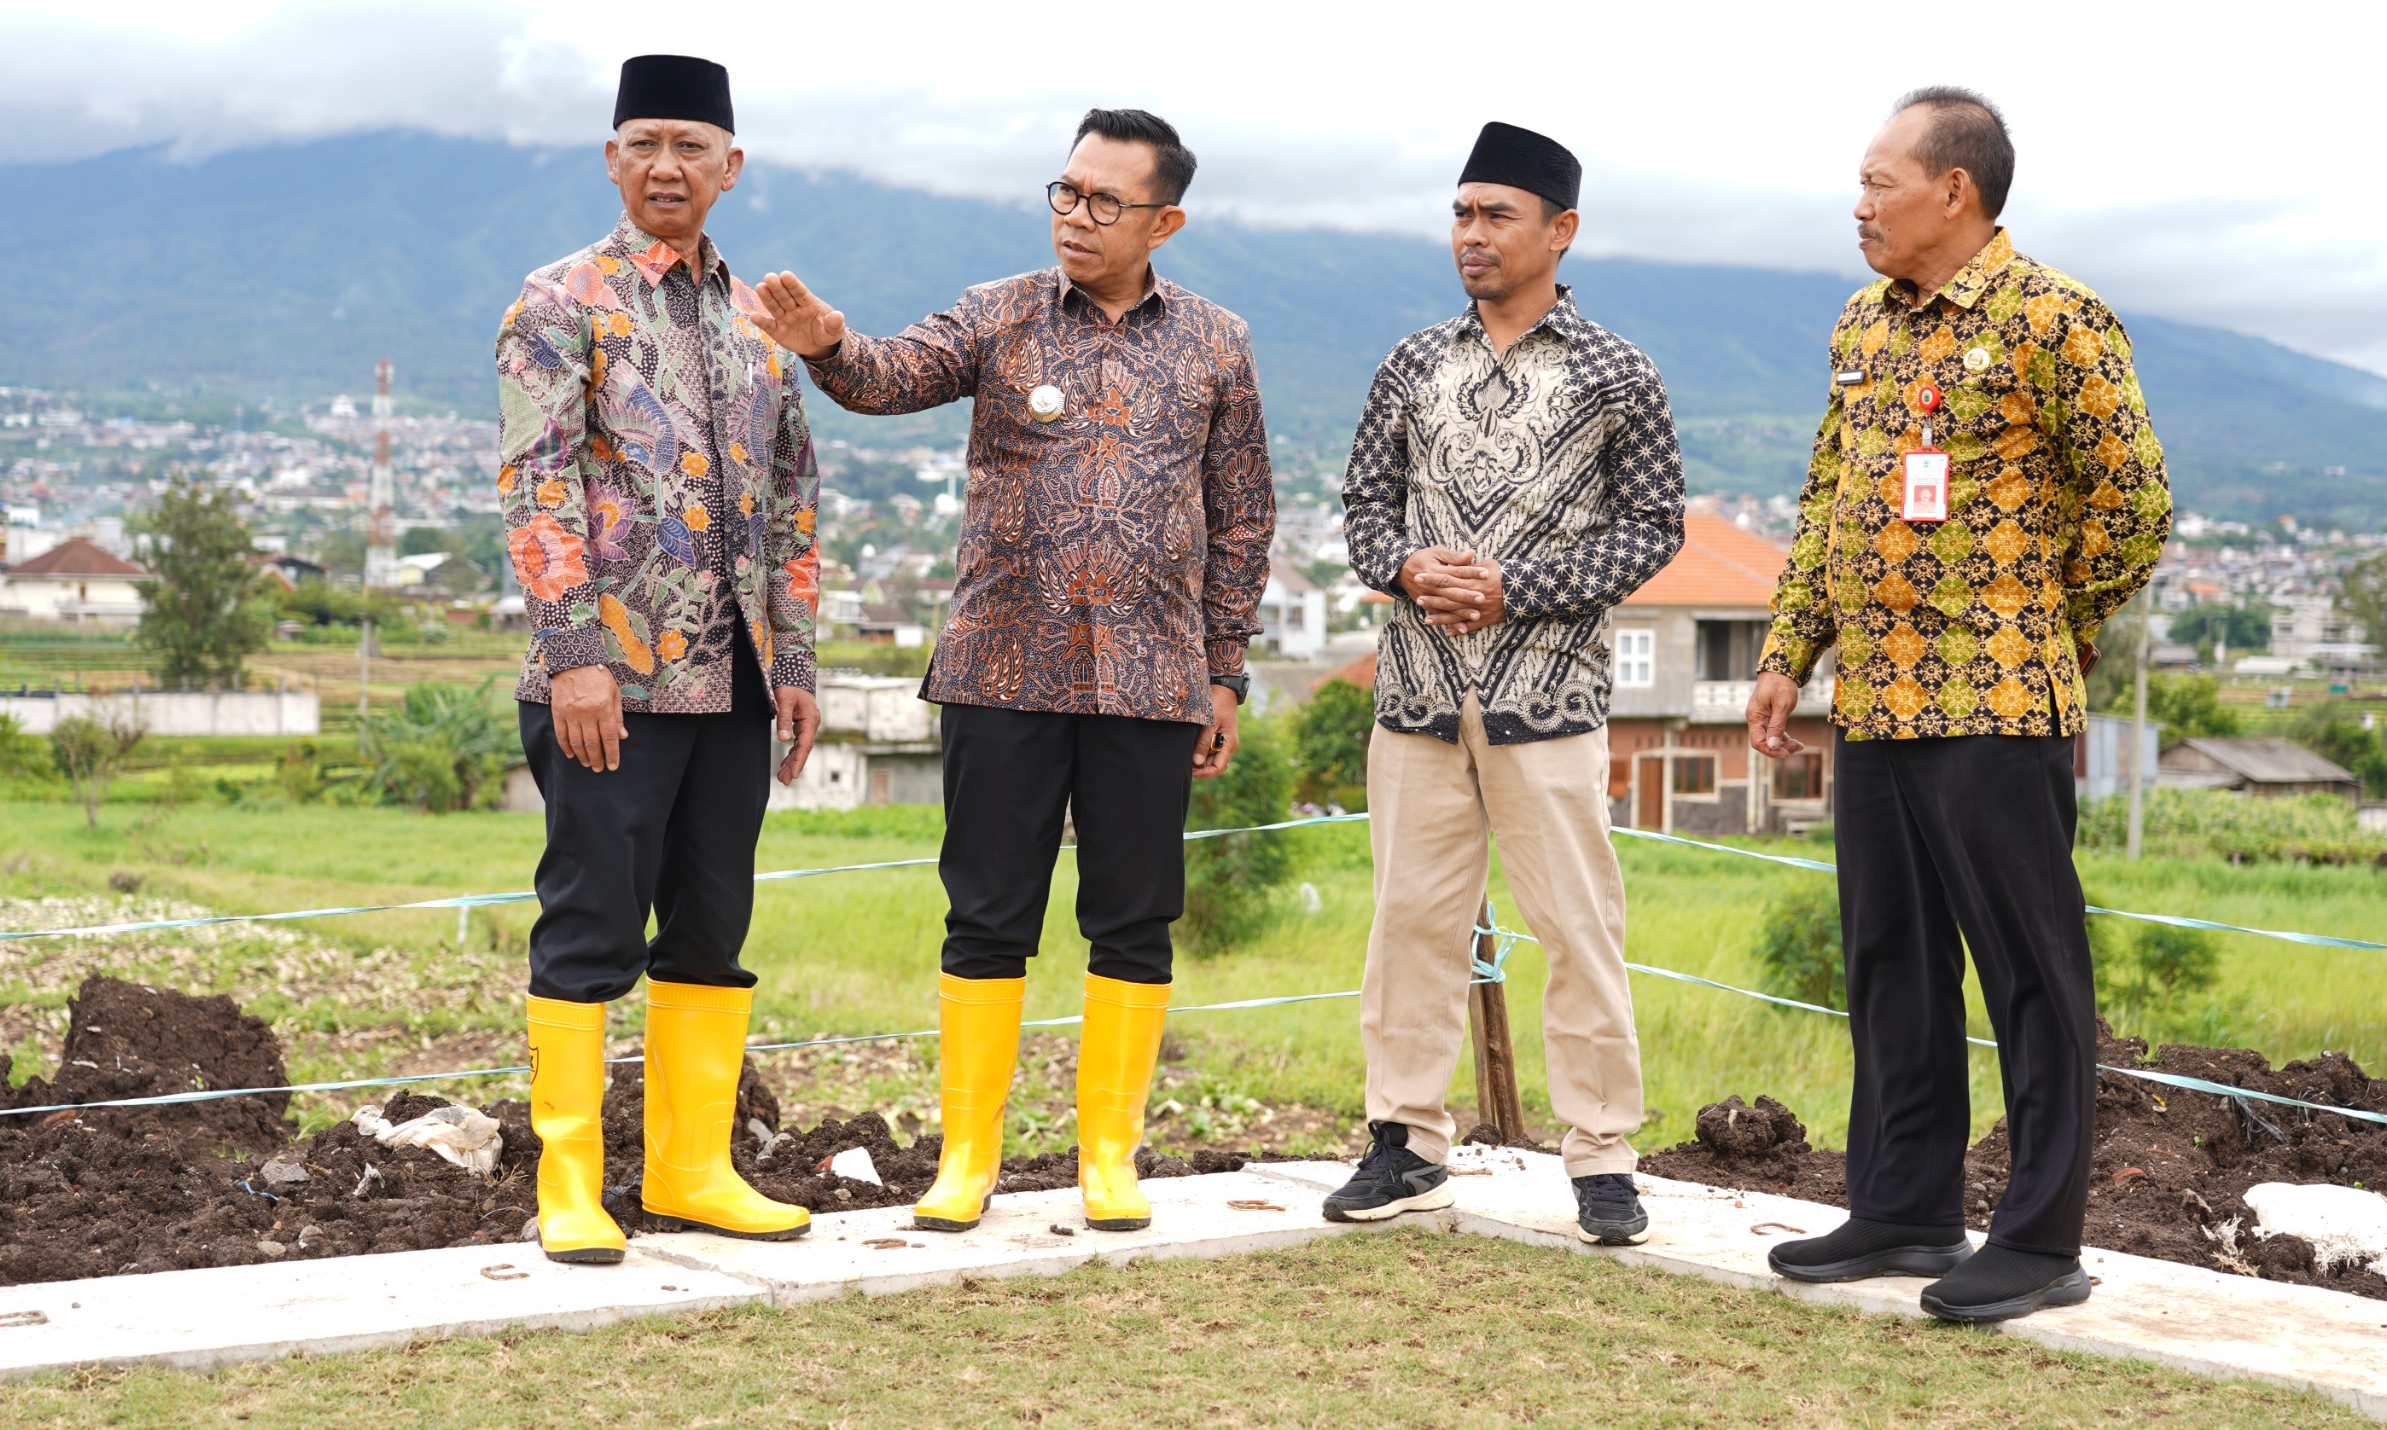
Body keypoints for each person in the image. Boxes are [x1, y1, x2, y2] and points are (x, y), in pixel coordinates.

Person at [745, 108, 1272, 1235]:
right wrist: (830, 343)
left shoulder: (1218, 342)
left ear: (1163, 220)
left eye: (1105, 202)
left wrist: (1223, 670)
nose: (1077, 217)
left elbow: (1243, 518)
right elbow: (887, 376)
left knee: (1133, 917)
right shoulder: (996, 313)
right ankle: (966, 1158)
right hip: (998, 669)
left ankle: (1107, 1159)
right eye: (1066, 192)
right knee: (986, 917)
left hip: (1148, 678)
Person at [1748, 87, 2170, 1321]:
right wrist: (1790, 647)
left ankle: (2038, 1239)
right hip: (1875, 702)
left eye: (1880, 181)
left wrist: (2043, 623)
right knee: (1892, 961)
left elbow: (2133, 504)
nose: (1860, 203)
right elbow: (1829, 496)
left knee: (2031, 972)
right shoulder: (1862, 324)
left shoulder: (2055, 318)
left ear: (1956, 191)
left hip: (1995, 704)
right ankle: (1903, 1203)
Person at [1326, 122, 1686, 1246]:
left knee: (1578, 928)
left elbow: (1654, 526)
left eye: (1496, 215)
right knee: (1408, 924)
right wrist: (1400, 563)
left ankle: (1602, 1157)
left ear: (1559, 230)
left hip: (1550, 701)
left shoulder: (1613, 369)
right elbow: (1360, 510)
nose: (1471, 235)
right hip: (1417, 700)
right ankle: (1406, 1141)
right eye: (1461, 213)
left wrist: (1516, 585)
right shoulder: (1411, 361)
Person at [497, 54, 826, 1265]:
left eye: (691, 145)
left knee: (711, 923)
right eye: (642, 142)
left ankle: (692, 1169)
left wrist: (794, 658)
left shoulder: (761, 316)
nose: (665, 165)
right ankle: (570, 1183)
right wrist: (575, 650)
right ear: (610, 158)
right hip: (609, 679)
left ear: (731, 167)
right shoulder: (559, 298)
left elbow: (791, 497)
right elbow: (534, 483)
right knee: (589, 916)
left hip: (736, 679)